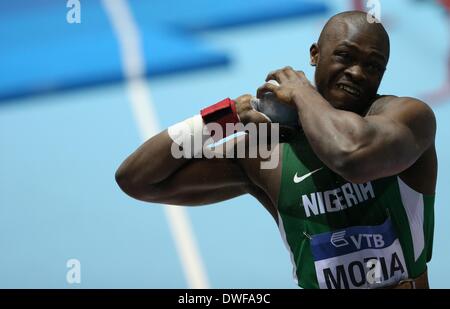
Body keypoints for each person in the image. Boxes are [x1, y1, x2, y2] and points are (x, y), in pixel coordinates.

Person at [115, 11, 437, 289]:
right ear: (315, 54)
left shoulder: (408, 120)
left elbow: (350, 156)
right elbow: (138, 179)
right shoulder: (269, 150)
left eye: (373, 66)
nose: (357, 72)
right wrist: (224, 118)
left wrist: (301, 93)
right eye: (345, 56)